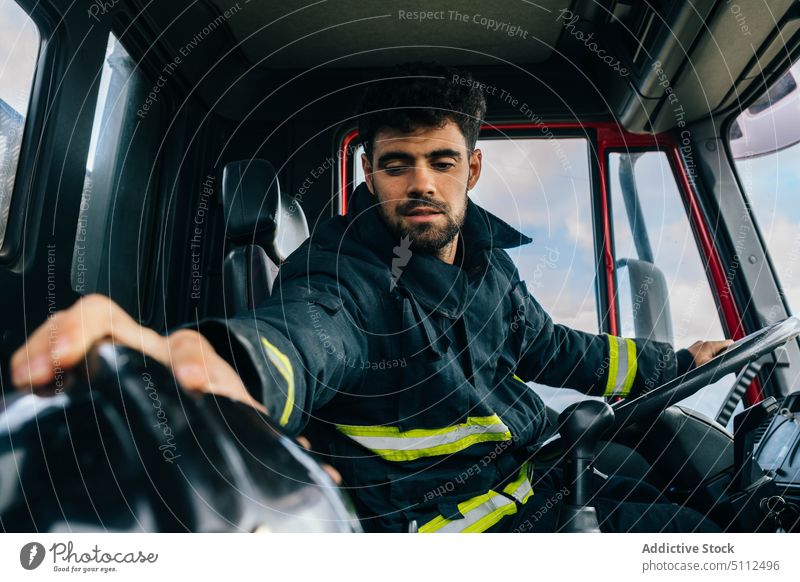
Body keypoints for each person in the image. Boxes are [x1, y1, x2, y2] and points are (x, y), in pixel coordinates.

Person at [11, 61, 731, 533]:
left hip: (537, 484)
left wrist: (677, 363)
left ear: (472, 169)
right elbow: (304, 335)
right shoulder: (342, 274)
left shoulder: (490, 263)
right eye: (398, 164)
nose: (421, 183)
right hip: (456, 533)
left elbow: (554, 348)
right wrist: (214, 367)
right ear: (370, 171)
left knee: (709, 515)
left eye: (441, 162)